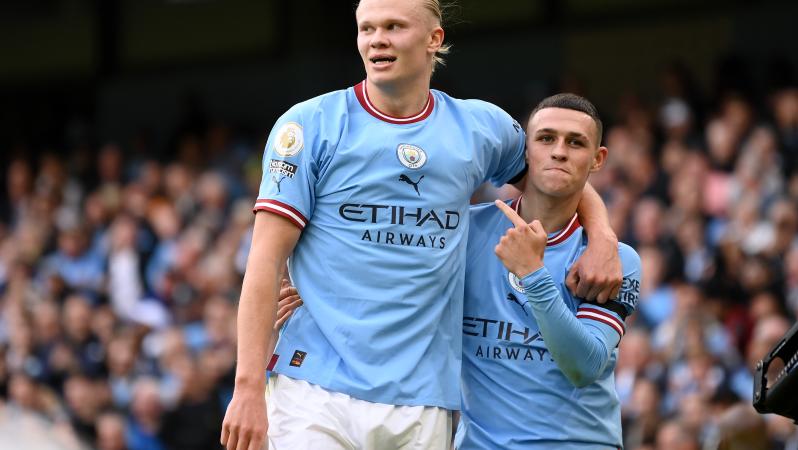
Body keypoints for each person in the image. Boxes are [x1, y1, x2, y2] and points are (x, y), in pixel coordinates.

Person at [220, 0, 622, 448]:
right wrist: (248, 387)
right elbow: (263, 261)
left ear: (435, 39)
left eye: (393, 26)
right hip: (314, 387)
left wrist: (602, 235)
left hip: (424, 401)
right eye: (367, 28)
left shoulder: (479, 127)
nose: (377, 40)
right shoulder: (309, 126)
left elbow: (557, 176)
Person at [457, 93, 641, 448]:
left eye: (575, 143)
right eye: (546, 138)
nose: (559, 151)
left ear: (597, 159)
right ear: (525, 150)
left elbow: (583, 366)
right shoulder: (466, 232)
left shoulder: (613, 260)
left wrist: (532, 273)